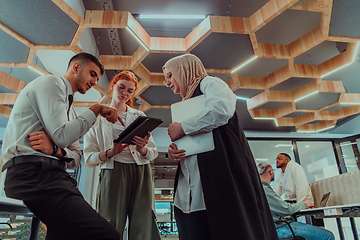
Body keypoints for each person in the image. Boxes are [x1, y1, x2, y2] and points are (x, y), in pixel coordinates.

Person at [1, 52, 121, 240]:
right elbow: (62, 135)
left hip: (54, 176)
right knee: (107, 235)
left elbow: (76, 158)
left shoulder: (71, 112)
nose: (94, 82)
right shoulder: (51, 83)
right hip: (32, 173)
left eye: (97, 78)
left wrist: (55, 150)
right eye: (92, 74)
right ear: (76, 67)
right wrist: (96, 109)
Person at [163, 54, 278, 240]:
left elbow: (222, 109)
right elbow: (194, 140)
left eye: (170, 75)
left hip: (219, 177)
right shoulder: (184, 104)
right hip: (193, 185)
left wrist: (183, 127)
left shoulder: (209, 83)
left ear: (184, 69)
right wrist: (176, 148)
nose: (166, 82)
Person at [83, 70, 161, 240]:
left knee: (144, 222)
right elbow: (88, 158)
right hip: (113, 171)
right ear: (113, 86)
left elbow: (153, 153)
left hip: (141, 172)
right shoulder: (97, 119)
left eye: (130, 91)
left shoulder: (139, 116)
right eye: (121, 87)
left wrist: (142, 149)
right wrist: (111, 152)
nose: (125, 93)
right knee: (109, 220)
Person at [257, 162, 335, 240]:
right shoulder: (265, 190)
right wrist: (304, 204)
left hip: (273, 228)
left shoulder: (259, 189)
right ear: (270, 172)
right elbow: (286, 209)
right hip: (280, 228)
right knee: (328, 236)